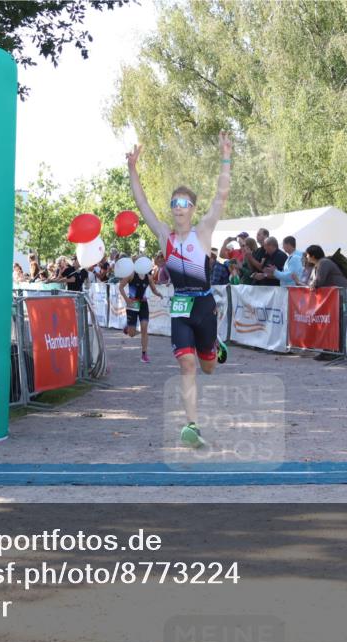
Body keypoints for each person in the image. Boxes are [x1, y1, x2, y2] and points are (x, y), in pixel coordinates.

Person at [127, 131, 232, 448]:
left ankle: (214, 343)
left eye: (183, 203)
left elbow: (221, 196)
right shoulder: (164, 236)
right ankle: (192, 425)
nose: (177, 207)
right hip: (180, 307)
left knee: (209, 368)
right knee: (187, 365)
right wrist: (133, 169)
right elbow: (141, 203)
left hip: (204, 305)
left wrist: (225, 156)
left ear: (192, 208)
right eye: (173, 203)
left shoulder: (204, 231)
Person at [119, 264, 163, 363]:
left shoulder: (148, 277)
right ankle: (128, 328)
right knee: (131, 334)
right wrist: (126, 299)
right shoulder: (131, 275)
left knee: (144, 328)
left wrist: (159, 294)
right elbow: (121, 287)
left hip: (143, 304)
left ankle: (144, 354)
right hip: (132, 303)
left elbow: (154, 289)